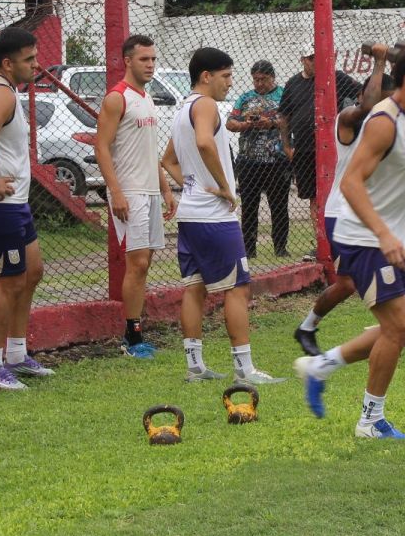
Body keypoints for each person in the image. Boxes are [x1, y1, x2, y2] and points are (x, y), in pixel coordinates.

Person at [293, 41, 405, 439]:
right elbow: (350, 183)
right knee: (398, 326)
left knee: (404, 327)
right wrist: (382, 232)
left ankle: (321, 366)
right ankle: (370, 421)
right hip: (363, 237)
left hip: (389, 235)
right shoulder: (383, 121)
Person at [292, 45, 405, 355]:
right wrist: (380, 60)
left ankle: (401, 326)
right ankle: (307, 327)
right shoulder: (349, 118)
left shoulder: (392, 126)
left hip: (373, 214)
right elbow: (368, 106)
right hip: (343, 214)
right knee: (347, 285)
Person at [161, 47, 284, 384]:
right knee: (238, 288)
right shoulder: (204, 105)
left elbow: (168, 160)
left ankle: (195, 366)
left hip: (191, 214)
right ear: (206, 76)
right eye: (226, 76)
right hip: (214, 216)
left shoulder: (182, 107)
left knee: (195, 288)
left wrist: (192, 185)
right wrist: (222, 186)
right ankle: (245, 370)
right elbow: (204, 143)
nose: (231, 83)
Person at [0, 27, 53, 389]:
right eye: (29, 59)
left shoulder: (2, 88)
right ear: (7, 62)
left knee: (32, 272)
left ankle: (17, 354)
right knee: (11, 281)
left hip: (13, 203)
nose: (36, 64)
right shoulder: (2, 94)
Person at [94, 34, 178, 359]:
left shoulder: (146, 97)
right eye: (144, 59)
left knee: (145, 265)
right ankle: (131, 337)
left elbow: (149, 151)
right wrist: (115, 191)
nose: (151, 65)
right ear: (128, 60)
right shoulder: (117, 98)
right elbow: (101, 146)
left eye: (153, 59)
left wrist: (167, 189)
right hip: (129, 191)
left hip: (150, 191)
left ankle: (136, 332)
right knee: (137, 263)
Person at [278, 50, 361, 258]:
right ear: (303, 59)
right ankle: (322, 242)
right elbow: (284, 116)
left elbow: (361, 95)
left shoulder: (337, 77)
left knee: (337, 194)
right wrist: (287, 145)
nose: (316, 62)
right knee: (314, 198)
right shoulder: (293, 83)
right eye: (311, 58)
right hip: (304, 149)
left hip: (332, 149)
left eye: (319, 57)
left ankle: (342, 240)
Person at [227, 60, 291, 259]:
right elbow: (230, 123)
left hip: (277, 159)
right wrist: (246, 124)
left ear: (272, 77)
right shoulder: (245, 98)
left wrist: (270, 123)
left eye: (263, 79)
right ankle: (249, 249)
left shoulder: (283, 95)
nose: (259, 84)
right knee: (249, 206)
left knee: (279, 205)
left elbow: (288, 119)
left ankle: (280, 247)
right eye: (256, 80)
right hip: (249, 159)